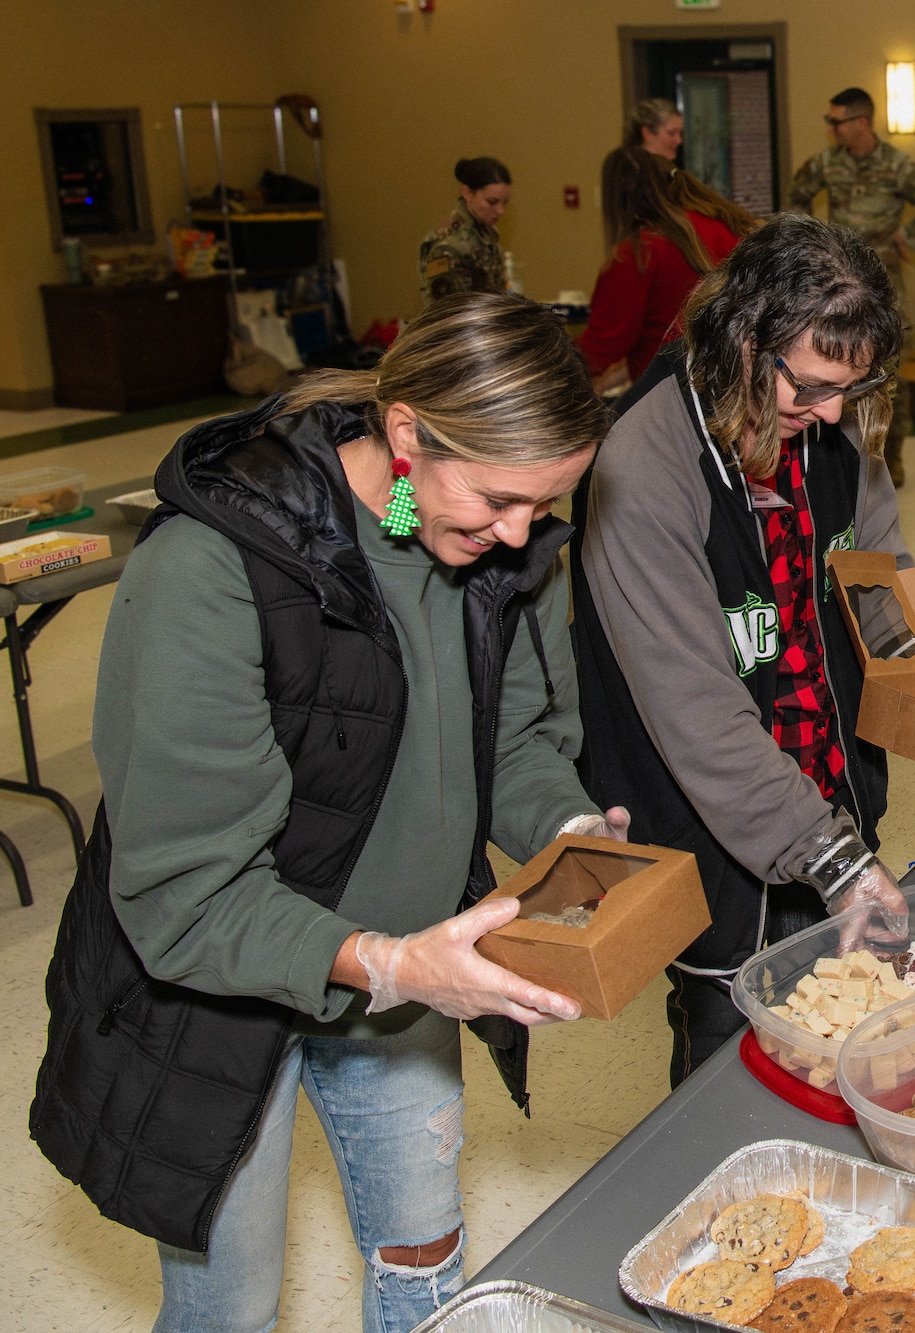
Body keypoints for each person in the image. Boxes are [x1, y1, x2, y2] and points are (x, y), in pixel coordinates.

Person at [30, 291, 631, 1333]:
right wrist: (391, 960)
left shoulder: (480, 534)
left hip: (402, 981)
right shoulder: (209, 571)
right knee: (230, 1299)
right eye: (496, 499)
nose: (520, 534)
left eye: (546, 505)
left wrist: (568, 831)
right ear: (405, 433)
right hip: (216, 989)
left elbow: (517, 738)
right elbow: (190, 891)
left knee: (422, 1253)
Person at [571, 214, 915, 1082]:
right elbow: (693, 709)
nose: (829, 414)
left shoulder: (834, 412)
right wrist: (831, 859)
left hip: (825, 786)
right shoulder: (644, 461)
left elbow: (875, 563)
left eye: (848, 391)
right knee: (729, 1046)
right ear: (744, 339)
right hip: (711, 820)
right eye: (813, 386)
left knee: (844, 1037)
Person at [788, 86, 915, 487]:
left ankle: (889, 460)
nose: (830, 129)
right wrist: (814, 245)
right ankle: (839, 460)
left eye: (836, 121)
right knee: (834, 365)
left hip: (884, 285)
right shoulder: (826, 163)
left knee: (889, 374)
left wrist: (904, 239)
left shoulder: (898, 166)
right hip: (837, 282)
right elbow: (797, 199)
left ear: (861, 122)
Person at [576, 145, 758, 395]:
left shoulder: (640, 252)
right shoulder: (717, 225)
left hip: (677, 393)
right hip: (737, 380)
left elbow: (605, 345)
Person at [419, 156, 510, 305]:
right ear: (467, 193)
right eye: (492, 202)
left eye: (504, 203)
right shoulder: (448, 245)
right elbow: (451, 314)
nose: (500, 211)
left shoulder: (485, 234)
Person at [626, 96, 684, 163]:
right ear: (647, 132)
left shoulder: (670, 172)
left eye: (680, 133)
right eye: (671, 133)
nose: (679, 141)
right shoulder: (628, 171)